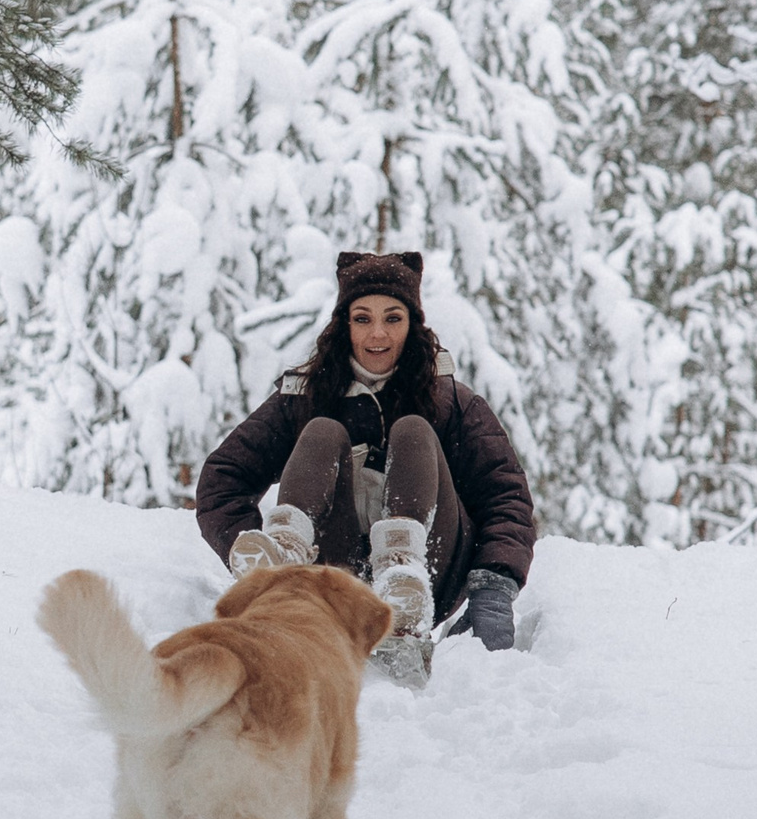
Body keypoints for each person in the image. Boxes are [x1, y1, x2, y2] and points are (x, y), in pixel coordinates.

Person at [193, 251, 535, 655]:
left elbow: (505, 498)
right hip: (335, 572)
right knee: (321, 431)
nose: (378, 335)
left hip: (430, 572)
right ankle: (283, 559)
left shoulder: (451, 402)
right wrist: (242, 546)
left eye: (393, 318)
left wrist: (491, 590)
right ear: (344, 325)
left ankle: (402, 577)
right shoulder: (304, 397)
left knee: (413, 430)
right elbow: (223, 480)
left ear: (412, 325)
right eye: (362, 318)